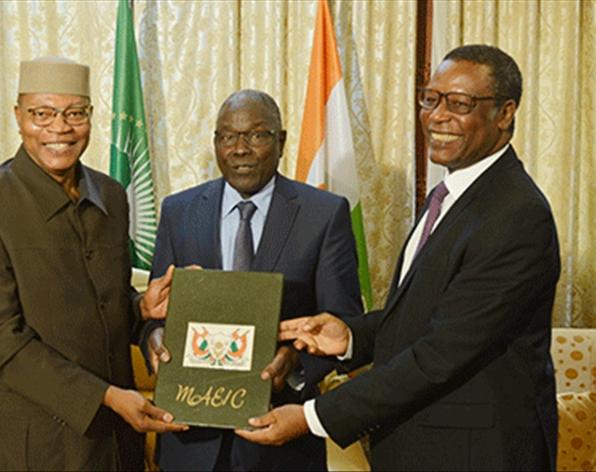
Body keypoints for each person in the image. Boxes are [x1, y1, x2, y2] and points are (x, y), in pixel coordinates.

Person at [237, 45, 561, 471]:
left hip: (476, 454)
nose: (437, 116)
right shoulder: (452, 194)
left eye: (459, 104)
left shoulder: (516, 215)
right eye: (431, 98)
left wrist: (313, 417)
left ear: (505, 113)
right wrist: (350, 337)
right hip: (422, 444)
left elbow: (442, 352)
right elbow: (425, 314)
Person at [0, 56, 187, 471]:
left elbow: (102, 306)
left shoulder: (111, 195)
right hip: (24, 441)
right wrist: (107, 397)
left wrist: (141, 309)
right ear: (19, 117)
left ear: (90, 117)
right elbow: (3, 341)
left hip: (112, 441)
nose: (60, 128)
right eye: (42, 114)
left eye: (75, 113)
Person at [143, 89, 364, 470]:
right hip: (190, 441)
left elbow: (344, 320)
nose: (240, 149)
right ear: (216, 142)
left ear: (281, 141)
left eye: (256, 135)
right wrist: (154, 339)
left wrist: (294, 363)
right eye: (228, 136)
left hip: (280, 442)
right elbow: (155, 311)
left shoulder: (323, 215)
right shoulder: (179, 211)